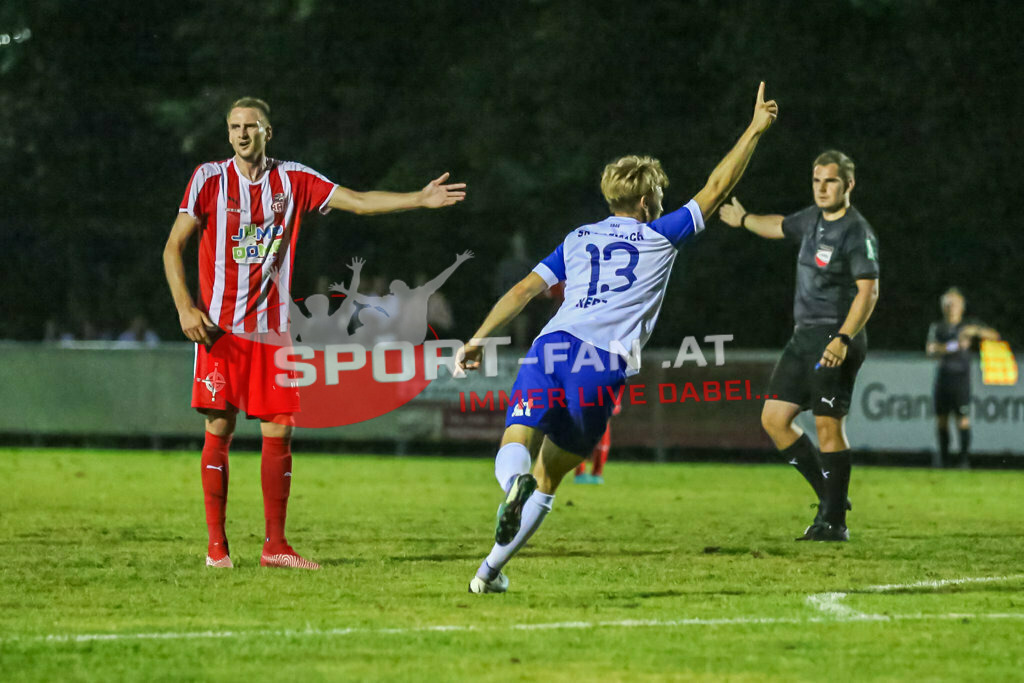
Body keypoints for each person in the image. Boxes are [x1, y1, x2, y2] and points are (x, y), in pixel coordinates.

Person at [457, 82, 778, 593]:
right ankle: (488, 571)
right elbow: (717, 187)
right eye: (660, 197)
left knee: (517, 438)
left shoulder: (578, 238)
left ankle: (509, 492)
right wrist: (755, 130)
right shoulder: (660, 234)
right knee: (550, 476)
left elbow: (522, 290)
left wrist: (477, 338)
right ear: (648, 201)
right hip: (602, 363)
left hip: (552, 346)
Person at [163, 97, 465, 570]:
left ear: (267, 132)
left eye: (251, 126)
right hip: (219, 331)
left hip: (271, 333)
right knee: (218, 428)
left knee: (280, 430)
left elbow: (358, 202)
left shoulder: (293, 180)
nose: (242, 134)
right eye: (234, 126)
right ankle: (217, 548)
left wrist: (418, 198)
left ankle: (275, 546)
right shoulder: (208, 179)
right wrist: (185, 308)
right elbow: (172, 248)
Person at [719, 150, 879, 542]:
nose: (822, 188)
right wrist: (744, 219)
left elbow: (869, 292)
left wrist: (844, 338)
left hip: (836, 336)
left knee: (827, 425)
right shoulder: (812, 219)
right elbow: (779, 225)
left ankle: (834, 523)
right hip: (803, 336)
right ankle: (831, 496)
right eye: (817, 181)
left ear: (849, 185)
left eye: (830, 181)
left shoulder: (856, 232)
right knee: (774, 419)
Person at [925, 287, 1000, 469]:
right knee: (942, 420)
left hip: (961, 379)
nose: (950, 308)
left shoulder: (968, 325)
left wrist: (974, 331)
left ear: (961, 306)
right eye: (947, 304)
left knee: (963, 419)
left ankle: (964, 460)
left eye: (954, 304)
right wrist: (953, 346)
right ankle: (944, 460)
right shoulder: (938, 327)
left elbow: (994, 336)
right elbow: (930, 350)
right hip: (943, 378)